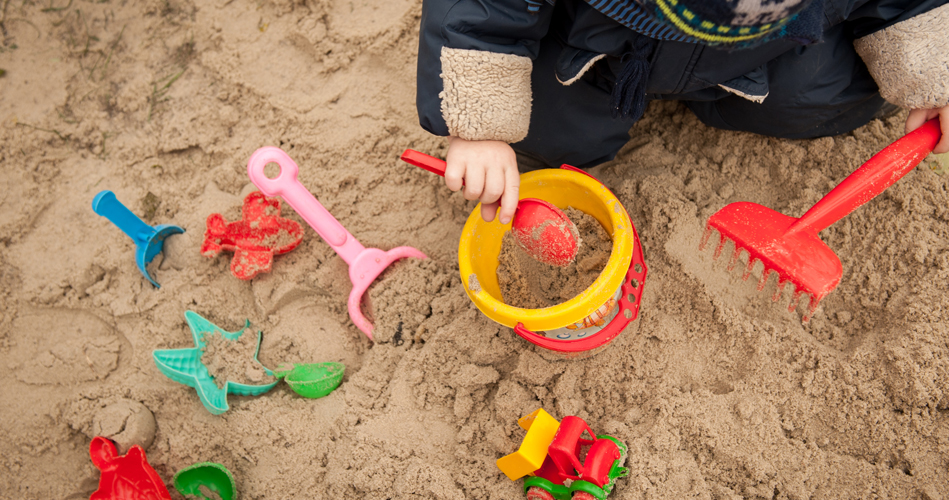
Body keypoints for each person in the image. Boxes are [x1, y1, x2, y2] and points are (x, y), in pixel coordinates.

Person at [414, 0, 949, 225]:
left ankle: (722, 89)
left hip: (764, 49)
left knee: (825, 100)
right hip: (599, 50)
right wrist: (479, 129)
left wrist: (935, 74)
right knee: (552, 138)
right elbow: (481, 10)